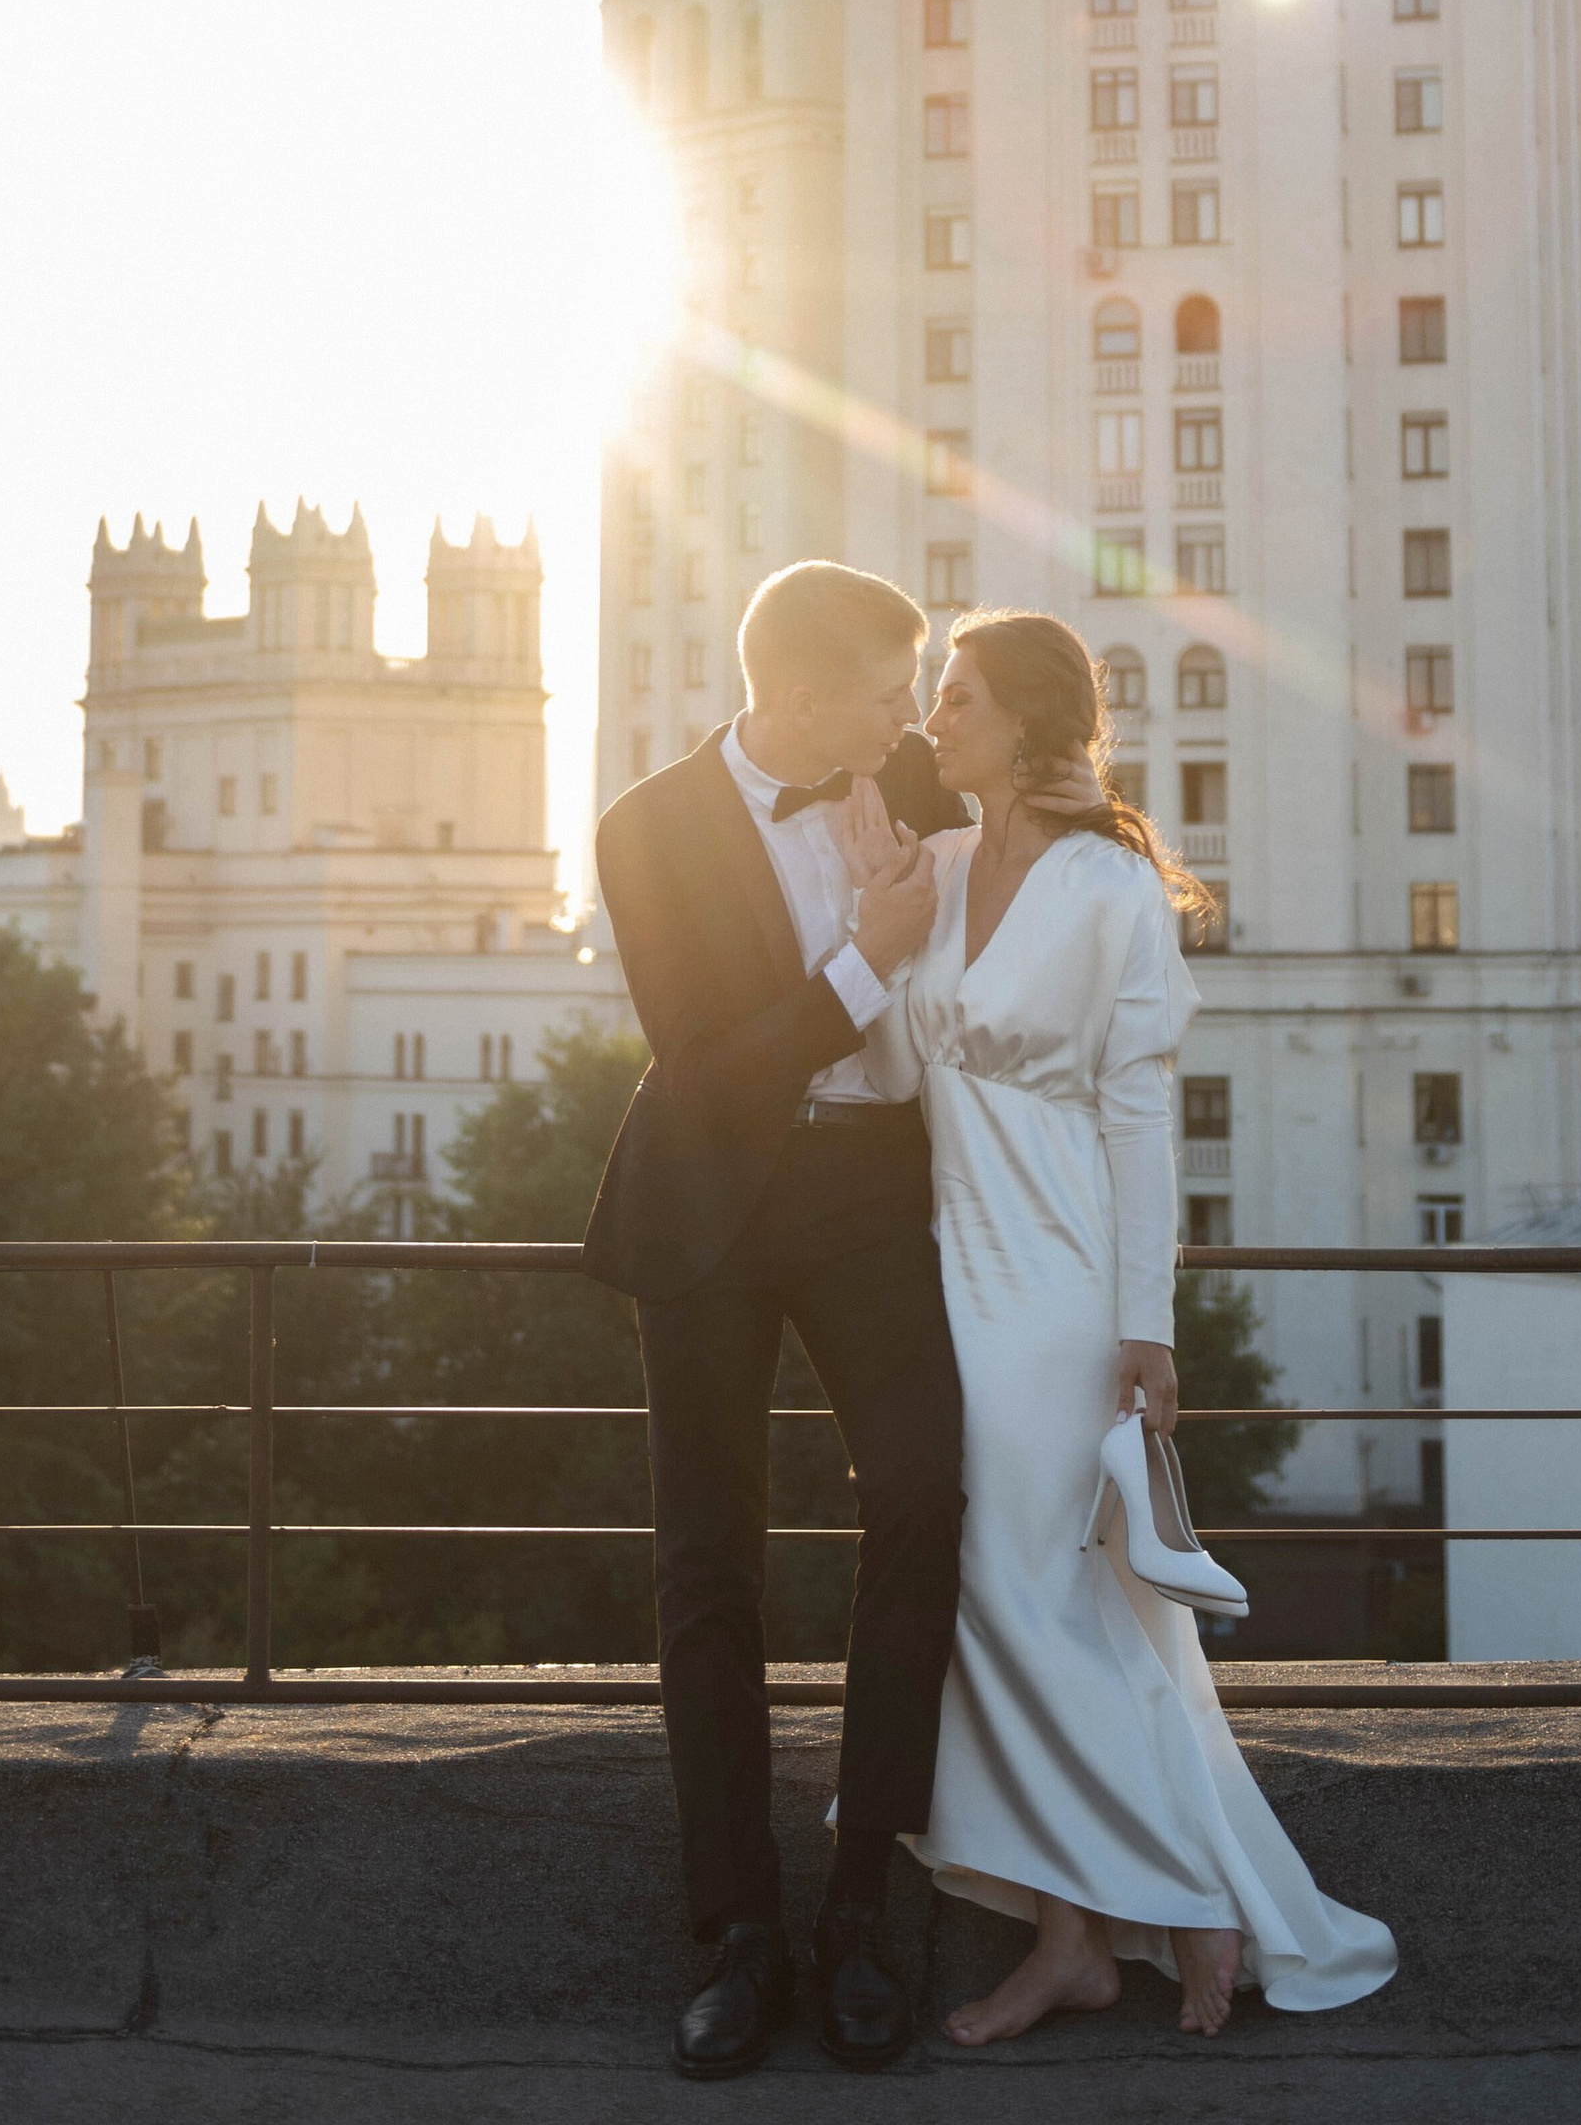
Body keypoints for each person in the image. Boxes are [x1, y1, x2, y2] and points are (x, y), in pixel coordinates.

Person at [868, 607, 1400, 2044]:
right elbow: (884, 1070)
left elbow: (1138, 1111)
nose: (934, 720)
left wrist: (1144, 1321)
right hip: (949, 1269)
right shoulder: (936, 862)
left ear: (1030, 722)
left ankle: (1180, 1899)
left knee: (1021, 1592)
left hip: (1055, 1290)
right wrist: (869, 935)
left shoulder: (1110, 889)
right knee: (1035, 1606)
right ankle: (1075, 1939)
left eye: (959, 697)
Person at [583, 559, 967, 2080]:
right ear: (801, 696)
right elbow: (707, 1068)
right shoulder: (646, 829)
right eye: (888, 690)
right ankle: (738, 1935)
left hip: (878, 1191)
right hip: (712, 1202)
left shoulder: (918, 776)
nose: (911, 713)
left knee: (930, 1494)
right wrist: (869, 948)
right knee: (707, 1560)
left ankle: (861, 1904)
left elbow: (1057, 837)